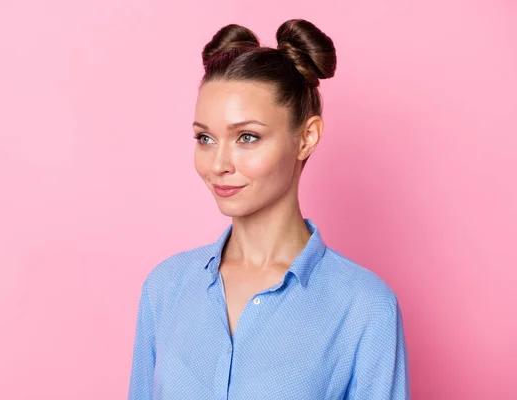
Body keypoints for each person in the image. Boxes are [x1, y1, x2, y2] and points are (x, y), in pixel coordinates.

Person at [127, 19, 410, 399]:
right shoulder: (166, 288)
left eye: (247, 137)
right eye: (205, 138)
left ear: (306, 137)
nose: (218, 164)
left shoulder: (365, 308)